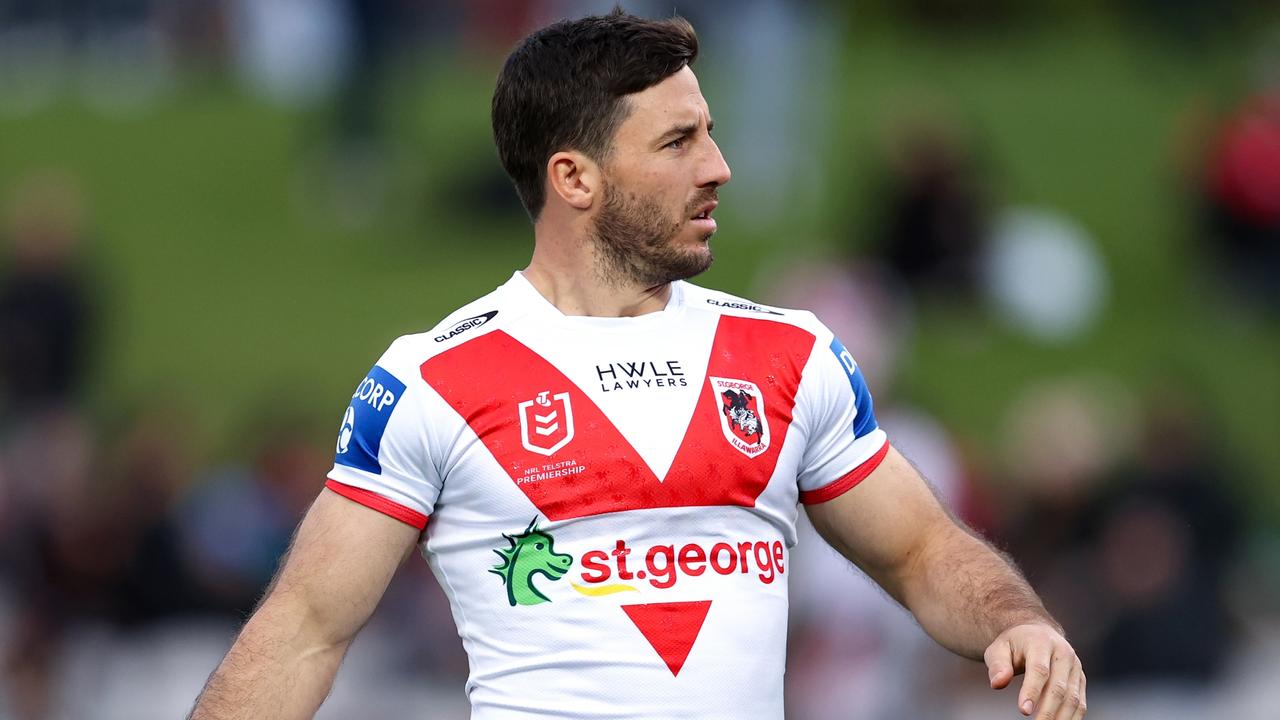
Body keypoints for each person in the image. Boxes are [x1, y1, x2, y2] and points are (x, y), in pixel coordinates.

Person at [189, 10, 1086, 720]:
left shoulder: (789, 356)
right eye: (678, 142)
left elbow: (924, 552)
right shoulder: (434, 381)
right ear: (574, 179)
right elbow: (303, 633)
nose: (722, 168)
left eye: (710, 133)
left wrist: (1019, 620)